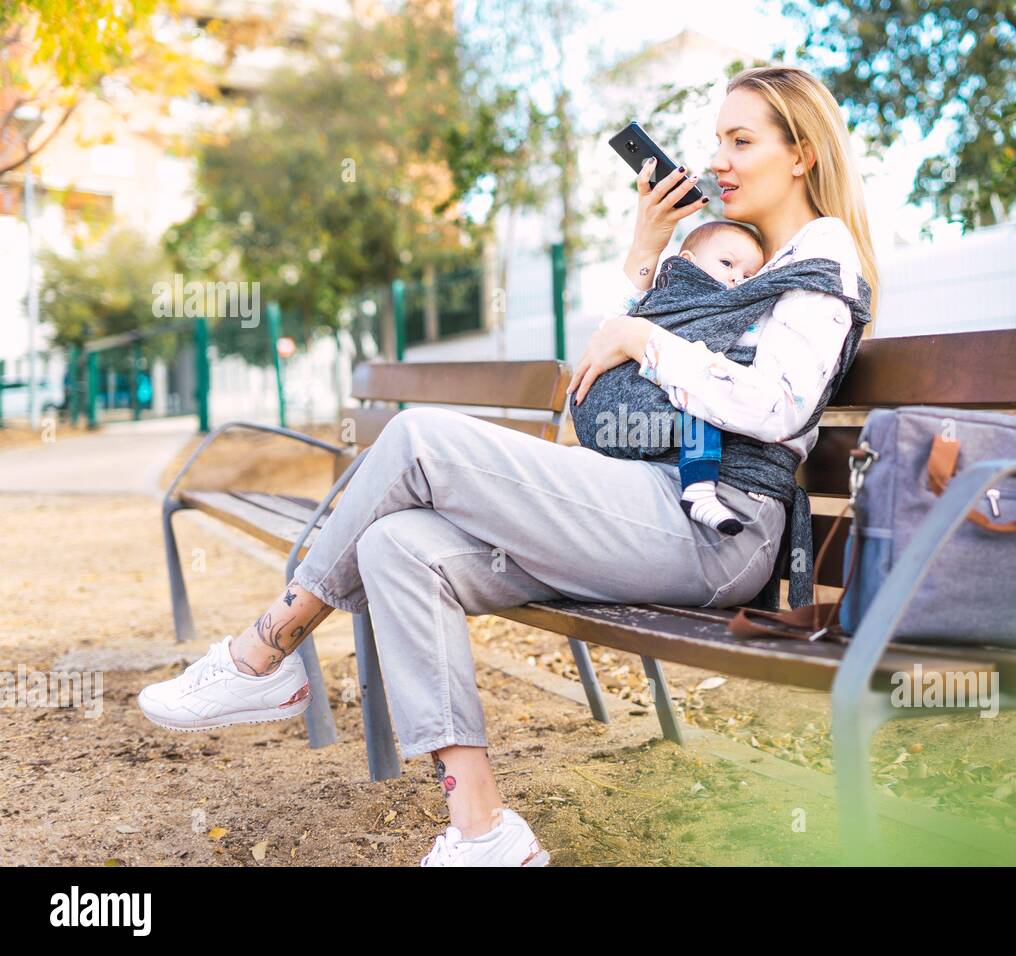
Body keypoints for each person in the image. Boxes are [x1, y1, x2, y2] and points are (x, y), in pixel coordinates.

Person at [136, 65, 879, 867]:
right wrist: (644, 253)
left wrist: (647, 340)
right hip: (644, 503)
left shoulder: (825, 257)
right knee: (398, 548)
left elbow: (775, 406)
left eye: (742, 141)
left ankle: (264, 650)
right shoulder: (747, 261)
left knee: (423, 439)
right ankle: (484, 833)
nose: (720, 161)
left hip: (715, 530)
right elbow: (613, 382)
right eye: (717, 142)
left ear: (802, 154)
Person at [630, 219, 766, 536]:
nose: (736, 278)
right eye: (727, 263)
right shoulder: (666, 294)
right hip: (642, 390)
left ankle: (699, 491)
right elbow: (635, 314)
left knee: (703, 403)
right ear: (688, 262)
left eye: (748, 276)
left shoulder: (733, 306)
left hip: (681, 394)